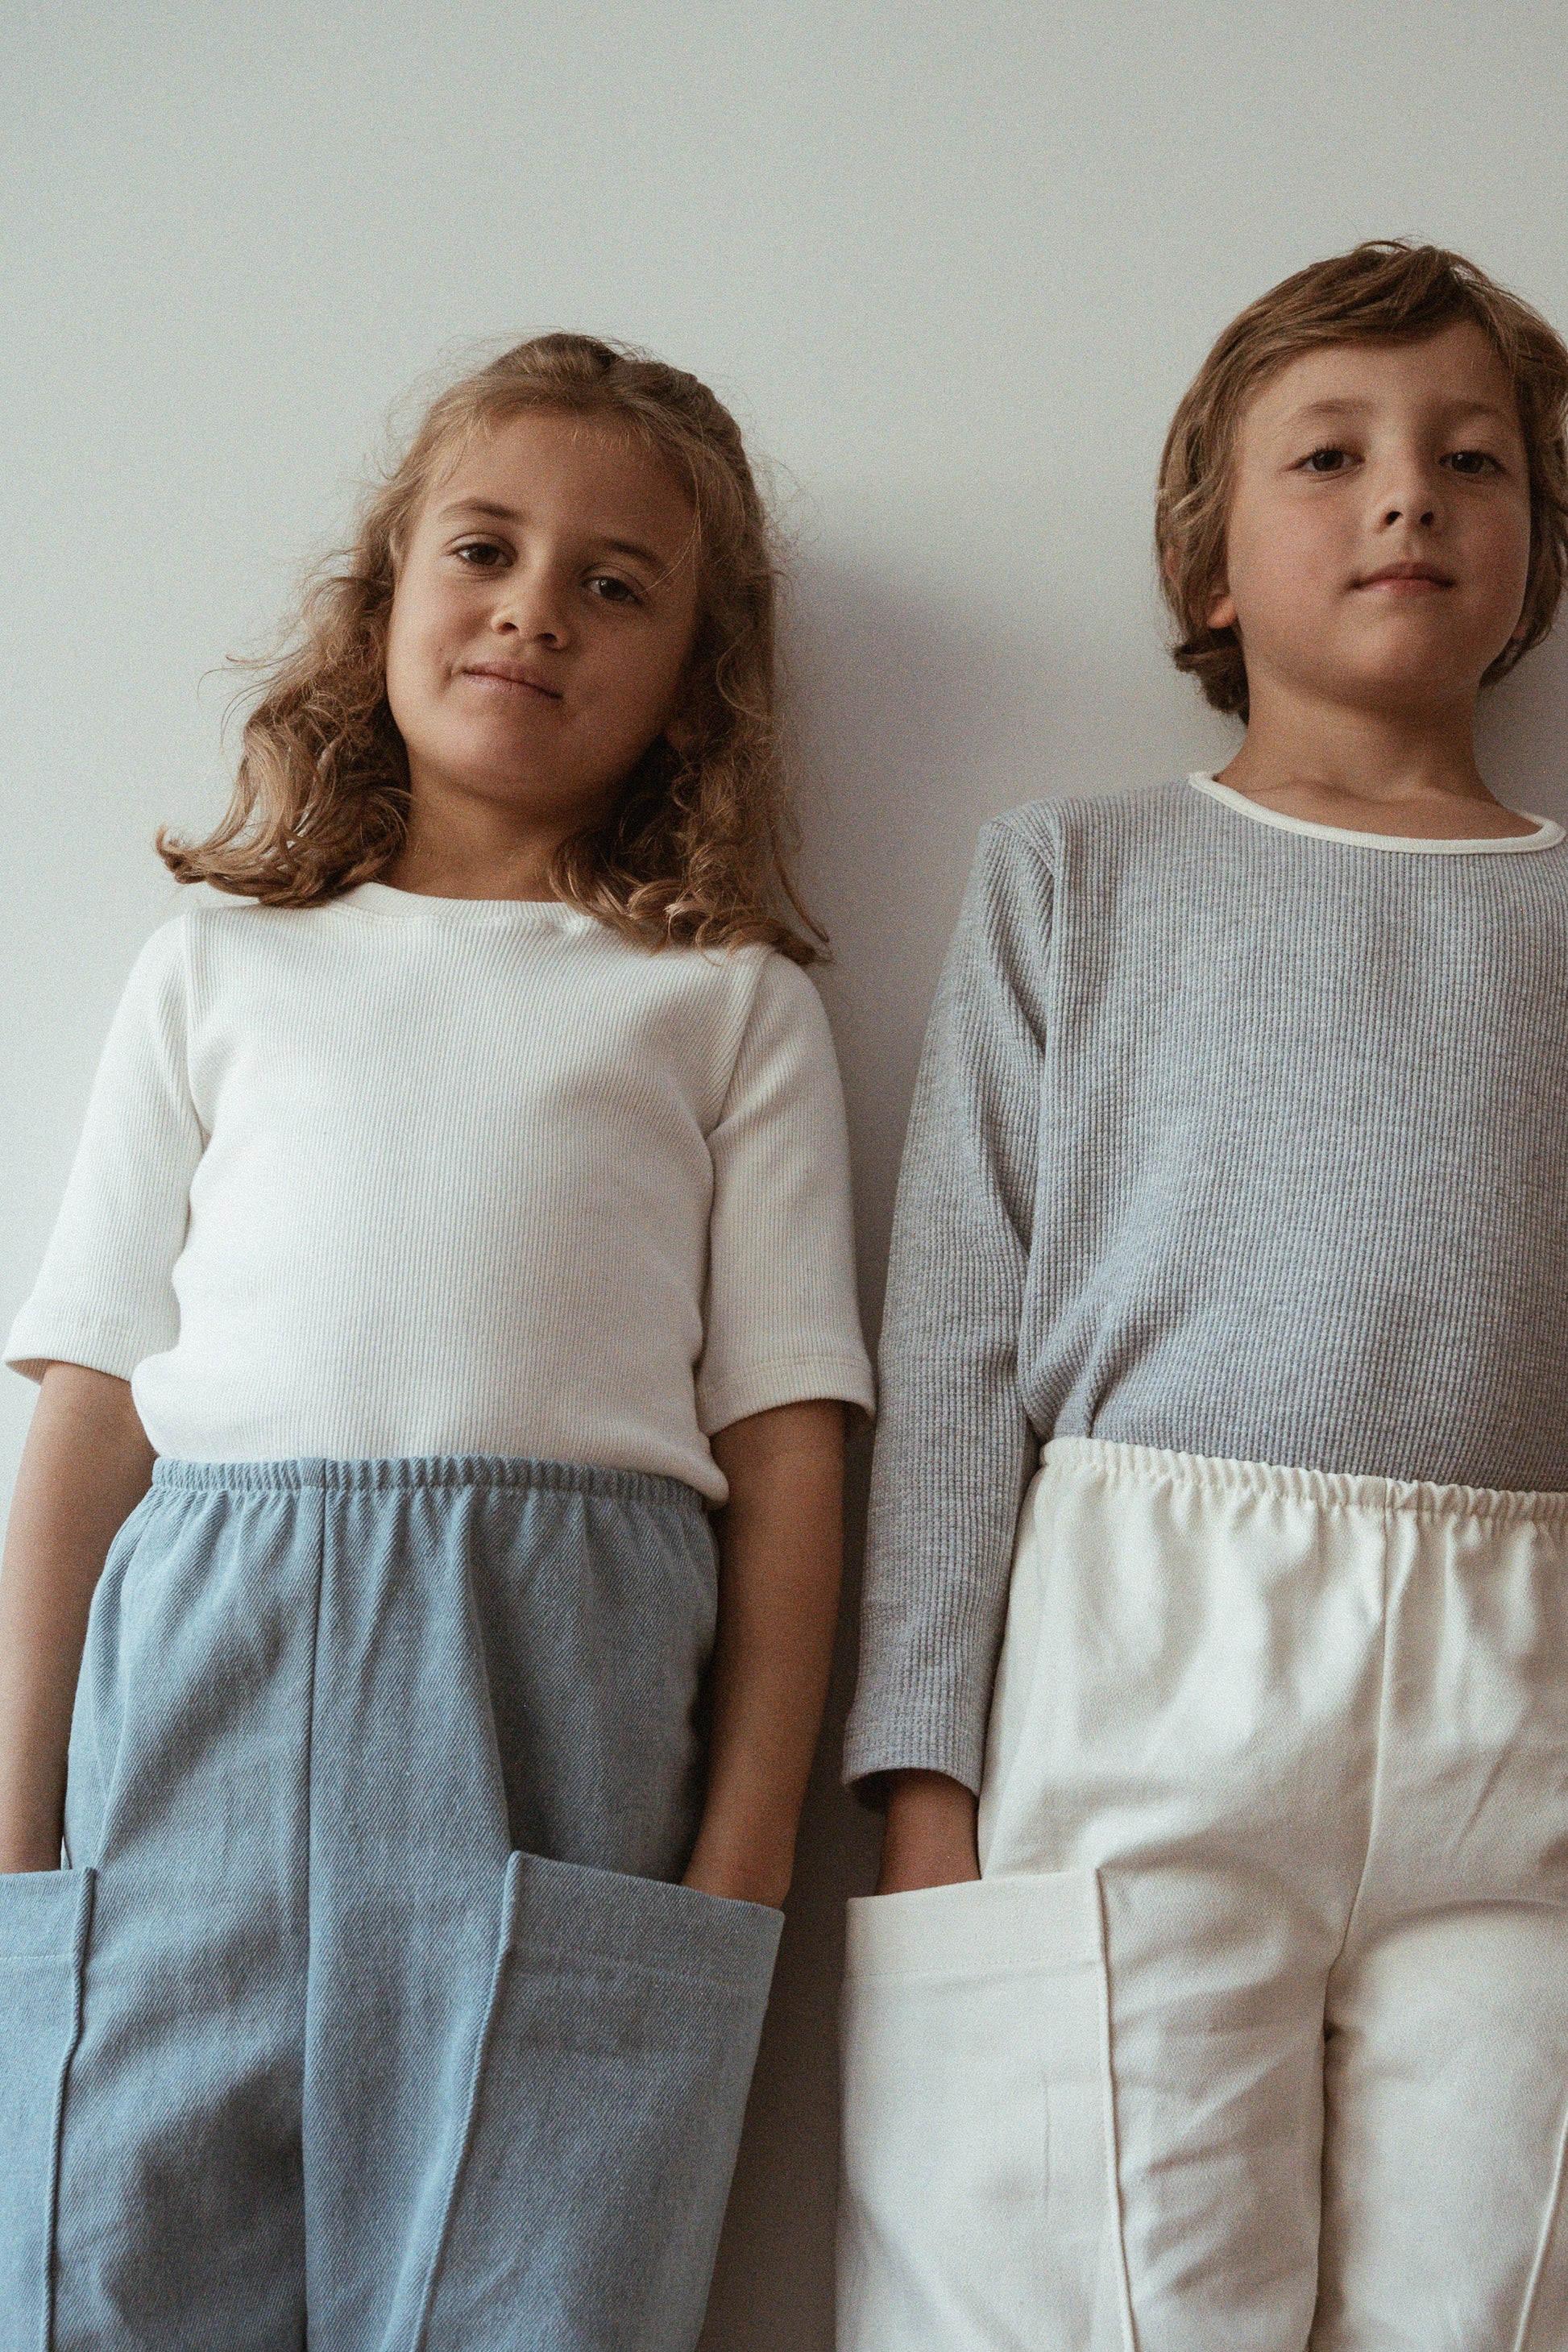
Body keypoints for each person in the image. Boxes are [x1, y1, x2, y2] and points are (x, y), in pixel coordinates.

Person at [0, 332, 873, 2352]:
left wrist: (737, 1884)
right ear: (385, 590)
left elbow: (795, 1449)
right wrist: (23, 1826)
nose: (533, 609)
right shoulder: (216, 965)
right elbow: (89, 1406)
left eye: (616, 583)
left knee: (531, 2281)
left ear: (692, 676)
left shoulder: (722, 1005)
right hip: (197, 1690)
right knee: (122, 2260)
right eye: (483, 547)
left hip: (555, 1708)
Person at [839, 241, 1568, 2350]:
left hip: (1528, 1689)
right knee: (1092, 2285)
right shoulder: (1073, 874)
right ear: (1211, 559)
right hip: (1145, 1659)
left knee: (1496, 2292)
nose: (1406, 498)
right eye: (1328, 454)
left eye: (1471, 460)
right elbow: (960, 1343)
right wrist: (923, 1785)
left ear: (1538, 550)